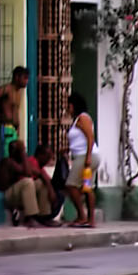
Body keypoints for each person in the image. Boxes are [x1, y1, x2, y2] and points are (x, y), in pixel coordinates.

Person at [0, 140, 54, 227]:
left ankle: (44, 217)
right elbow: (28, 173)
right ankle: (30, 218)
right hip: (6, 196)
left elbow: (40, 174)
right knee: (27, 182)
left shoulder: (22, 163)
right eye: (21, 150)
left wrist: (50, 189)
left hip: (17, 195)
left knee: (40, 183)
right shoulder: (8, 162)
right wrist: (23, 152)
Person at [63, 93, 99, 227]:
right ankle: (90, 220)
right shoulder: (77, 120)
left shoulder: (82, 118)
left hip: (86, 157)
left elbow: (90, 137)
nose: (67, 108)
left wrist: (88, 158)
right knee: (87, 187)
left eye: (69, 105)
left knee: (71, 185)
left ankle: (82, 216)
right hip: (85, 155)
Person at [0, 66, 29, 155]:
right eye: (24, 78)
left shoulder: (19, 92)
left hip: (13, 130)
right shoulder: (7, 89)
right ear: (17, 77)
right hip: (5, 129)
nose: (26, 81)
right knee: (5, 155)